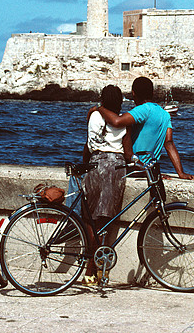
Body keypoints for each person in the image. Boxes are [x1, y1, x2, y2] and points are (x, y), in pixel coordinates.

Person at [96, 77, 194, 181]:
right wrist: (180, 172)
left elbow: (117, 121)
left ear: (134, 93)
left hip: (134, 168)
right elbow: (169, 143)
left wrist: (99, 108)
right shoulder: (165, 114)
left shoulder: (143, 109)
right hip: (149, 169)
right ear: (152, 93)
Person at [81, 85, 132, 284]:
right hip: (114, 168)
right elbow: (127, 154)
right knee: (106, 220)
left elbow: (88, 144)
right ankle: (100, 268)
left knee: (89, 218)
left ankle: (88, 269)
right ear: (119, 101)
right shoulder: (124, 121)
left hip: (93, 165)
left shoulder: (93, 116)